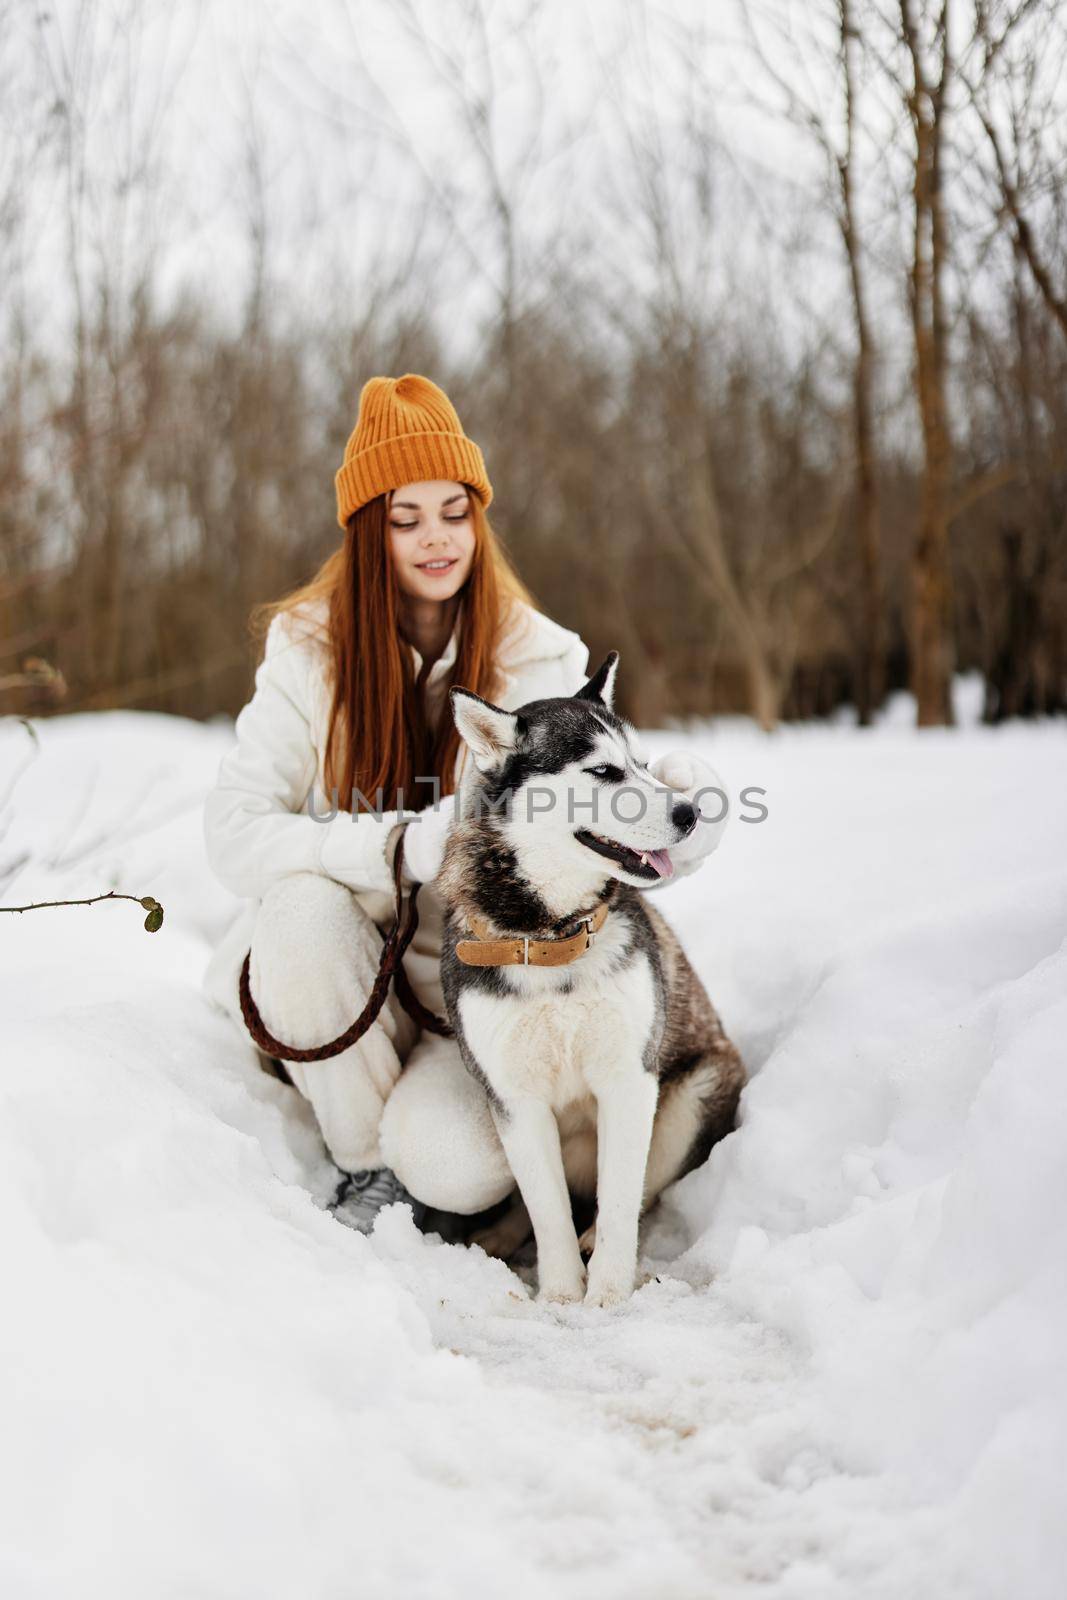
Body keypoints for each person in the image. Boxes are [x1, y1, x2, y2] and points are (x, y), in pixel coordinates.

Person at [201, 373, 725, 1233]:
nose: (436, 539)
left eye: (454, 511)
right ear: (370, 534)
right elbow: (233, 836)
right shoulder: (306, 651)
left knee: (457, 1169)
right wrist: (391, 847)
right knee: (294, 909)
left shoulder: (543, 658)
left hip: (478, 995)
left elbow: (587, 854)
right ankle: (364, 1164)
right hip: (336, 980)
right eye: (405, 520)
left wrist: (682, 826)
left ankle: (439, 1174)